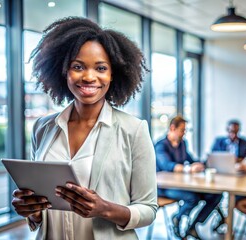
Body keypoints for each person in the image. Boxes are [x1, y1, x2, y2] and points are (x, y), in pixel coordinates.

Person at [11, 17, 158, 239]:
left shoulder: (134, 130)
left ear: (113, 74)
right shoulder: (43, 127)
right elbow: (42, 205)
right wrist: (32, 212)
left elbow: (148, 209)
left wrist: (104, 209)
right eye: (77, 67)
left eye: (101, 68)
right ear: (63, 71)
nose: (89, 77)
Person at [155, 116, 222, 239]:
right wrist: (189, 169)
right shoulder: (160, 146)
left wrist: (200, 164)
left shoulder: (182, 144)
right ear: (172, 128)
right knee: (192, 198)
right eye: (182, 130)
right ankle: (177, 218)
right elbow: (167, 165)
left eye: (185, 130)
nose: (184, 133)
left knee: (215, 195)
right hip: (164, 187)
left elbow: (189, 159)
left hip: (181, 184)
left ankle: (193, 226)